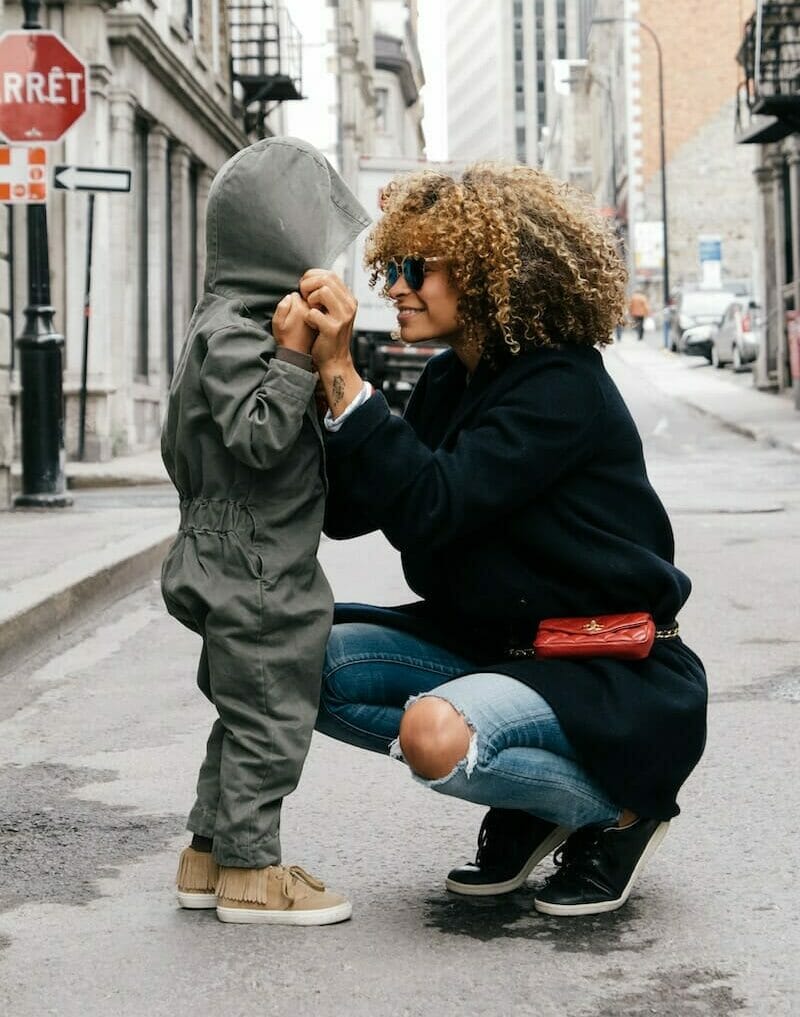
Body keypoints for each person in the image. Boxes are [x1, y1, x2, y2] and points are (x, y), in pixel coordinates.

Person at [297, 163, 707, 917]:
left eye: (416, 268)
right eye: (391, 267)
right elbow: (353, 507)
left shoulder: (562, 387)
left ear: (487, 271)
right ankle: (535, 799)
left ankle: (615, 810)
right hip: (491, 646)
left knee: (434, 735)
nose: (393, 287)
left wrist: (349, 383)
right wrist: (310, 375)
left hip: (603, 668)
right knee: (298, 666)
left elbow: (431, 506)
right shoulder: (452, 380)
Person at [160, 137, 369, 925]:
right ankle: (253, 871)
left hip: (224, 548)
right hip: (257, 562)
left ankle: (208, 853)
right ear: (280, 237)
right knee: (274, 716)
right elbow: (257, 437)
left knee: (241, 712)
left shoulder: (217, 320)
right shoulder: (247, 332)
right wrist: (293, 359)